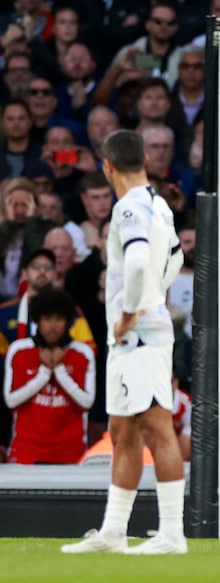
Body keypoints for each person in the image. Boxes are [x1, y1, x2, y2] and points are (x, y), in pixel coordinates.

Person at [61, 129, 186, 554]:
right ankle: (114, 531)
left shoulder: (128, 208)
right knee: (122, 429)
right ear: (144, 162)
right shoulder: (160, 206)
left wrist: (133, 311)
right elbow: (177, 258)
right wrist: (154, 293)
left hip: (137, 333)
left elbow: (135, 262)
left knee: (156, 427)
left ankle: (172, 534)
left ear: (107, 166)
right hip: (137, 334)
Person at [3, 288, 95, 464]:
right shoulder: (19, 350)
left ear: (67, 321)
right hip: (26, 453)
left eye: (59, 319)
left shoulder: (83, 353)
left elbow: (86, 402)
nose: (53, 325)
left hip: (70, 454)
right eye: (47, 319)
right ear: (38, 320)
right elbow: (11, 400)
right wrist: (45, 373)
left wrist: (59, 370)